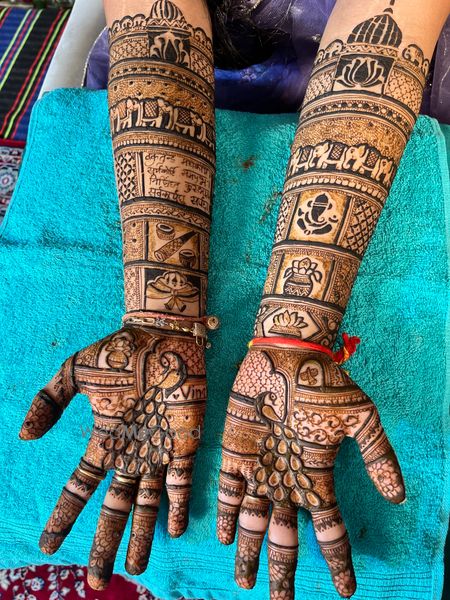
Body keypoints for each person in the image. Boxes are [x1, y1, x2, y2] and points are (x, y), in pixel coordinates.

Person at [18, 0, 450, 598]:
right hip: (176, 80)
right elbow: (155, 16)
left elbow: (387, 21)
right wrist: (160, 313)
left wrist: (296, 329)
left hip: (374, 86)